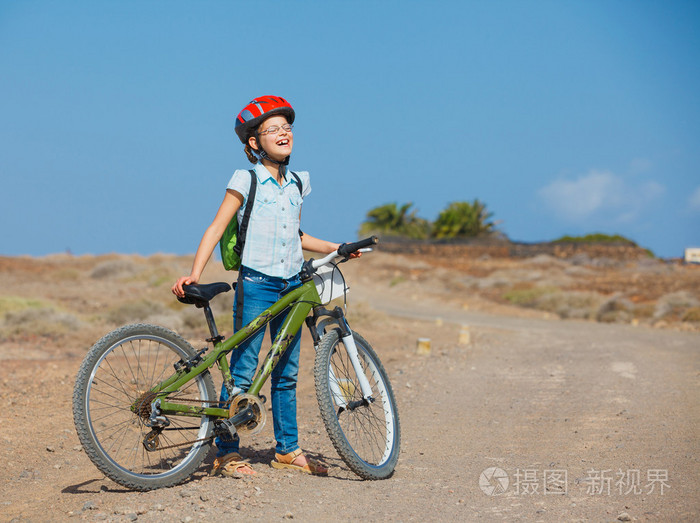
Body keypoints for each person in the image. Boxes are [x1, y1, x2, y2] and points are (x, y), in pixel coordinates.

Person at [172, 95, 348, 477]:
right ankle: (227, 451)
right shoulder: (246, 178)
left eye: (287, 127)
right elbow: (217, 226)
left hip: (291, 284)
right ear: (254, 142)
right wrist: (194, 273)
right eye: (273, 129)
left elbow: (295, 234)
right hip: (255, 284)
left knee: (285, 371)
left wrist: (336, 247)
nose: (283, 132)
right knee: (244, 369)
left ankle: (287, 449)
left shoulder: (298, 182)